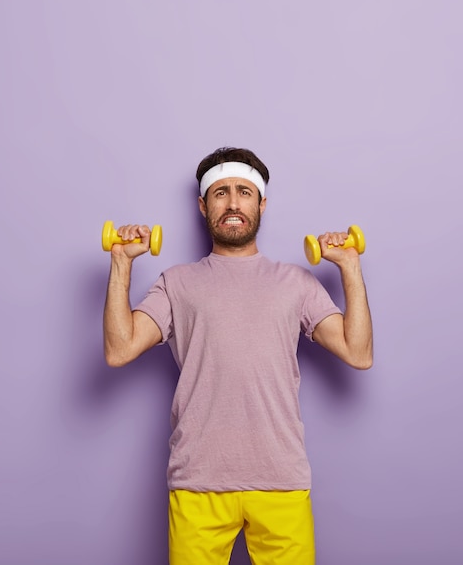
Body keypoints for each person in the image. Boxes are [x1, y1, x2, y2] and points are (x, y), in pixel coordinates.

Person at [103, 147, 373, 565]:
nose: (232, 203)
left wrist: (349, 268)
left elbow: (359, 353)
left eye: (244, 192)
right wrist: (120, 263)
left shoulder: (296, 283)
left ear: (261, 204)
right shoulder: (176, 283)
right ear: (203, 205)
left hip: (281, 480)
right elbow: (120, 349)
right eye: (221, 193)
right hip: (198, 483)